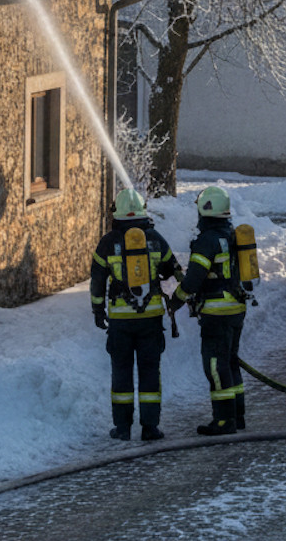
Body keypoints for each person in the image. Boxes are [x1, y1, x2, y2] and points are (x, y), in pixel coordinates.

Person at [90, 188, 181, 441]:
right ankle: (150, 427)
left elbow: (97, 279)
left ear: (116, 212)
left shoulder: (108, 242)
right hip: (151, 320)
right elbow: (172, 268)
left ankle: (122, 428)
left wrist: (98, 309)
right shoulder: (155, 239)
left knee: (121, 372)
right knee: (150, 372)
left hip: (121, 321)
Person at [170, 185, 252, 436]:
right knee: (230, 362)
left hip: (217, 313)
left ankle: (223, 420)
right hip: (236, 309)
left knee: (215, 366)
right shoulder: (231, 234)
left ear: (205, 211)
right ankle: (237, 416)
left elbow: (194, 279)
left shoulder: (207, 240)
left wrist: (177, 299)